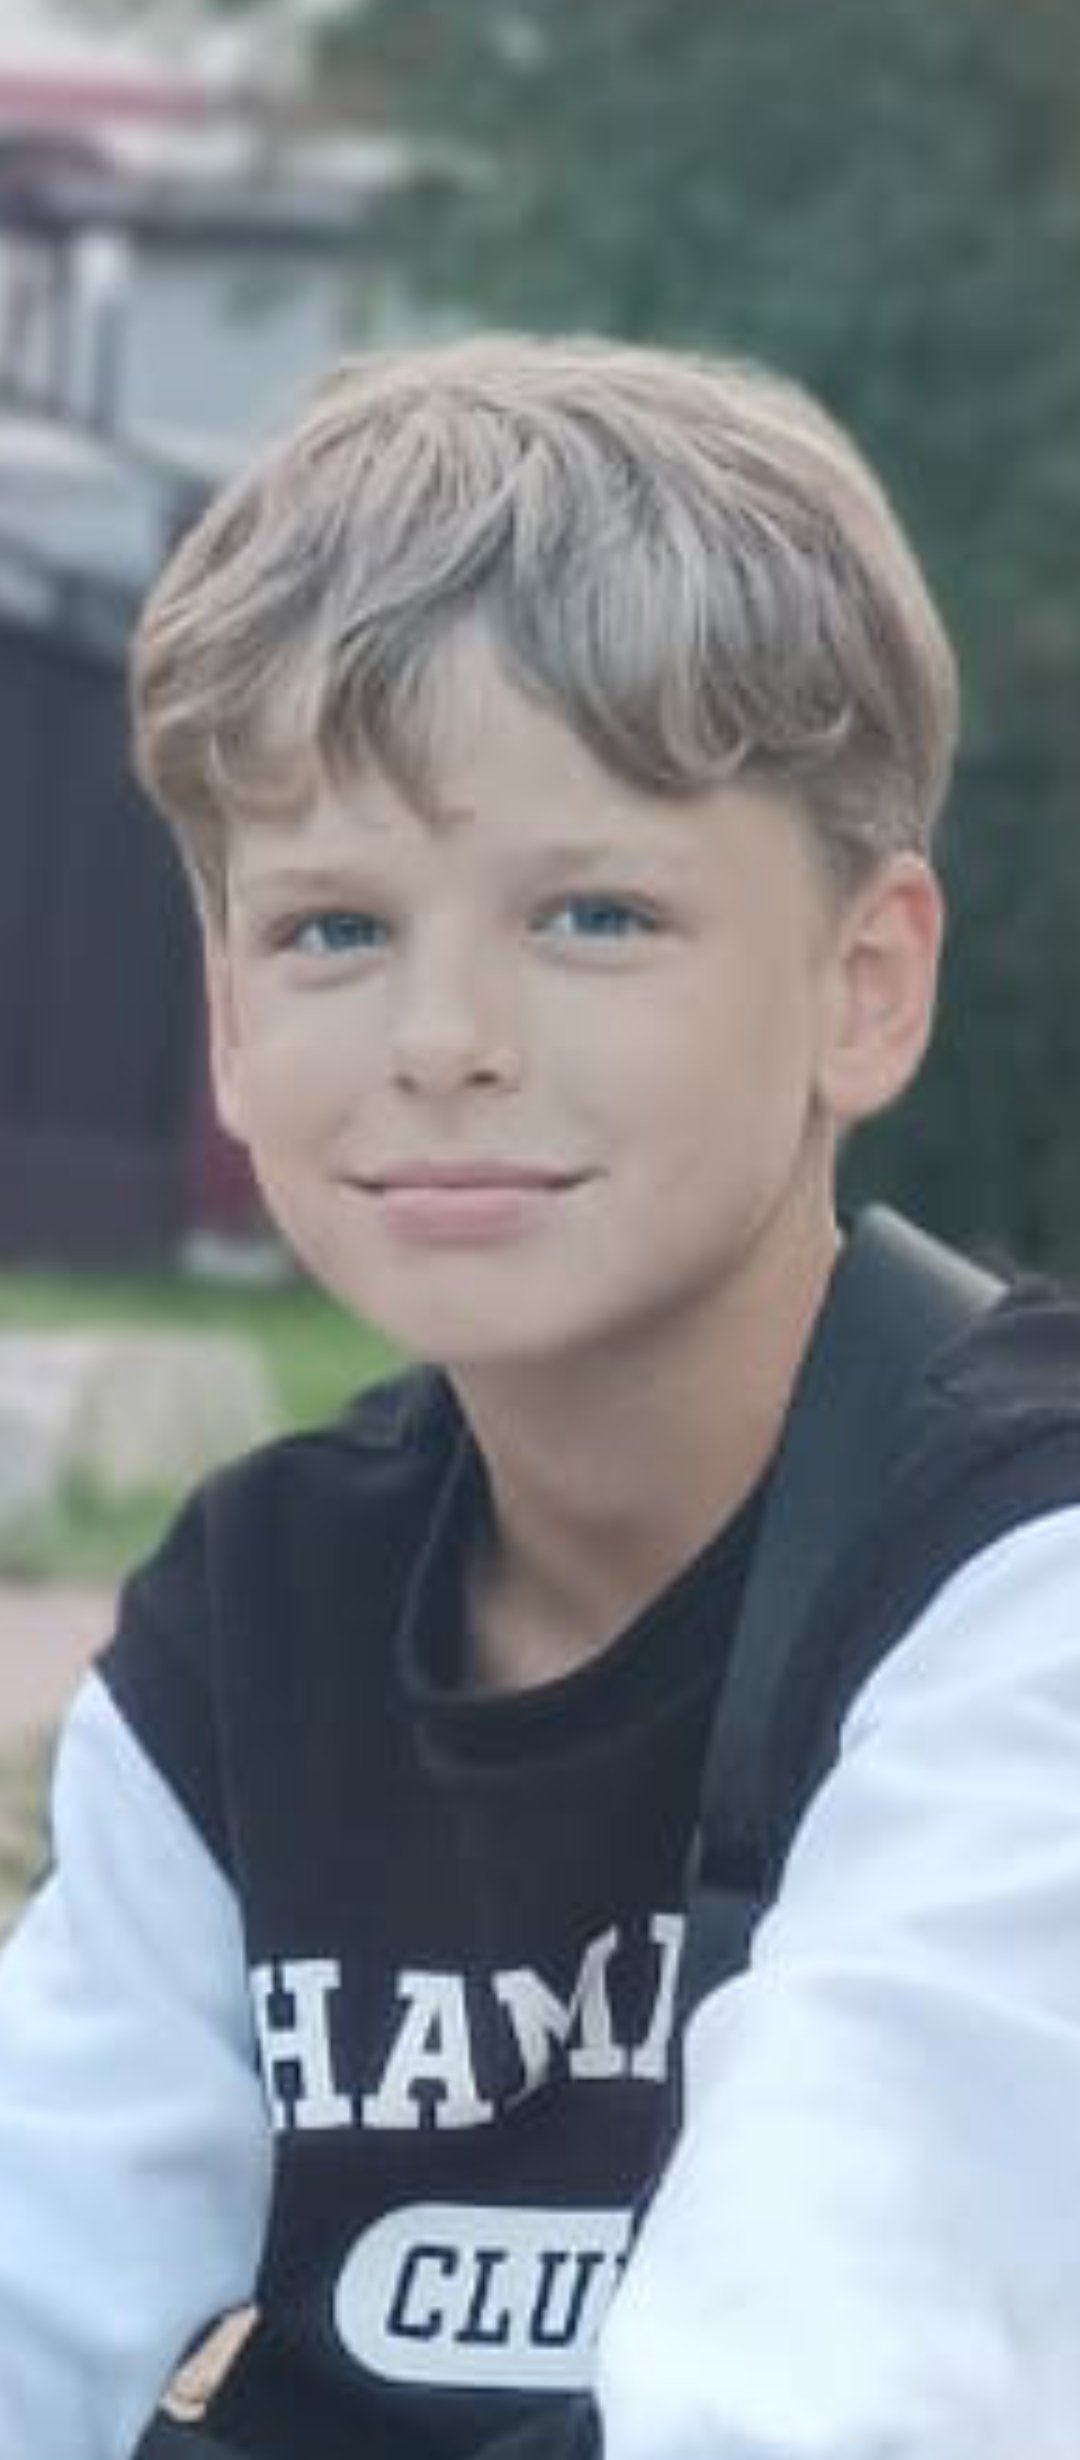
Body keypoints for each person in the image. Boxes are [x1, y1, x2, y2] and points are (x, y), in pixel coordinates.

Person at [2, 334, 1080, 2460]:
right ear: (227, 1024)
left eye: (595, 914)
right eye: (333, 930)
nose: (445, 1037)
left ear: (864, 985)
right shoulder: (256, 1619)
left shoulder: (1019, 1584)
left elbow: (826, 2390)